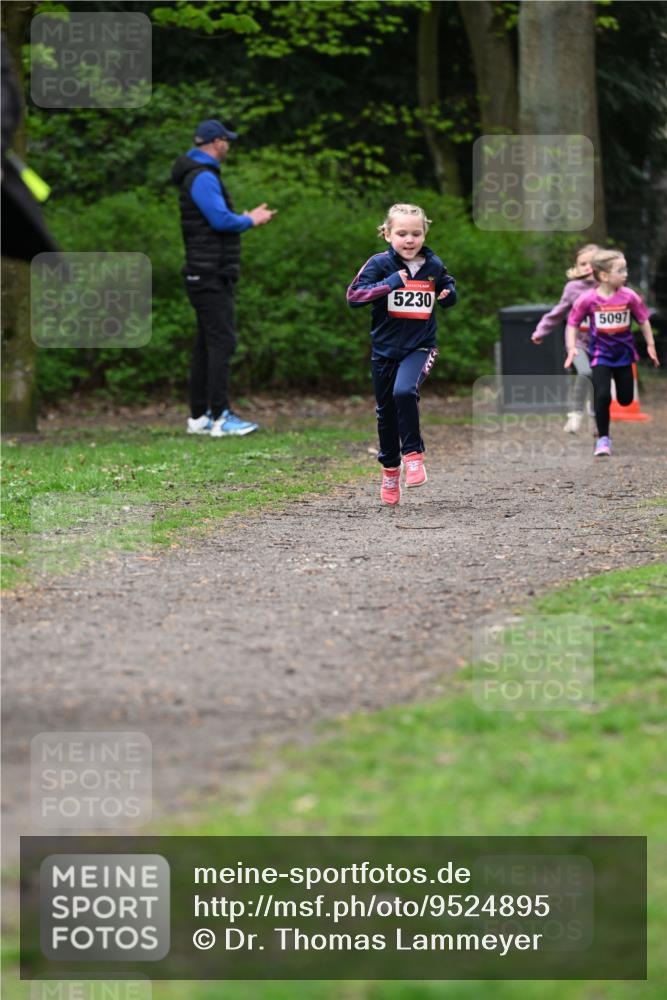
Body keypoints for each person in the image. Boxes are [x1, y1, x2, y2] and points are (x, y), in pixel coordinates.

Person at [346, 203, 457, 505]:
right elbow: (354, 297)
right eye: (402, 233)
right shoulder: (379, 264)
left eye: (416, 233)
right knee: (385, 414)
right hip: (384, 352)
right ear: (387, 234)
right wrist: (389, 284)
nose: (409, 240)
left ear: (424, 234)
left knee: (405, 392)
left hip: (420, 346)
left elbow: (447, 284)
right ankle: (390, 471)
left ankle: (413, 455)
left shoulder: (433, 265)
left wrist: (449, 294)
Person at [171, 119, 276, 437]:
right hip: (210, 273)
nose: (228, 146)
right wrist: (249, 219)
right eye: (226, 141)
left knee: (206, 344)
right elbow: (219, 220)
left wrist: (240, 218)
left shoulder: (196, 174)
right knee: (222, 342)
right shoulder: (202, 176)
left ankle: (199, 416)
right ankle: (221, 417)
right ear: (217, 143)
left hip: (203, 271)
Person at [564, 248, 659, 457]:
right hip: (600, 355)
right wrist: (572, 348)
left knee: (625, 399)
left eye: (626, 269)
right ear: (605, 276)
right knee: (603, 395)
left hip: (624, 355)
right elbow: (572, 323)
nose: (626, 274)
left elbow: (643, 320)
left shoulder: (630, 296)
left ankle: (606, 430)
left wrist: (651, 345)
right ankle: (603, 439)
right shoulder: (588, 299)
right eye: (621, 270)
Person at [531, 244, 598, 433]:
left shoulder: (606, 287)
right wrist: (540, 331)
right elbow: (558, 312)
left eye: (592, 263)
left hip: (602, 345)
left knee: (598, 382)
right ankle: (575, 414)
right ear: (576, 267)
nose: (587, 267)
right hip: (577, 343)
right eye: (582, 263)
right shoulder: (573, 288)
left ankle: (595, 419)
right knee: (585, 372)